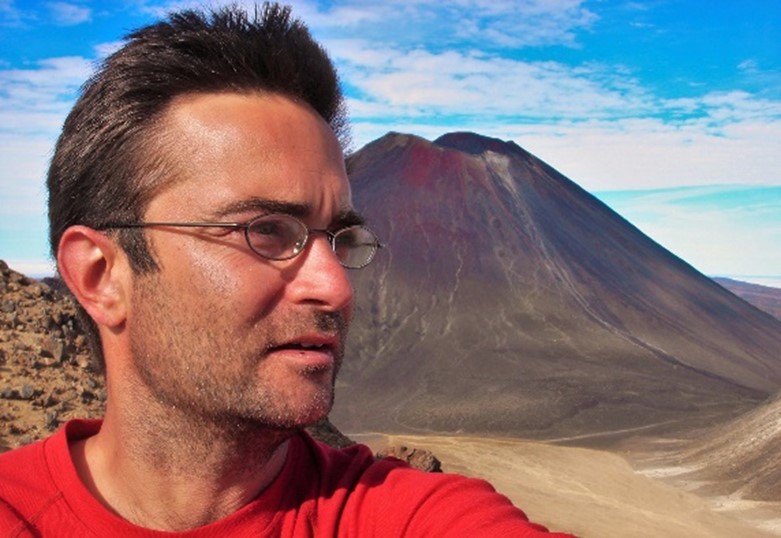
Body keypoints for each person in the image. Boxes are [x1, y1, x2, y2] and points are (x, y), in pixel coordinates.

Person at [0, 4, 575, 536]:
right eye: (266, 230)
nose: (336, 287)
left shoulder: (401, 516)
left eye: (341, 239)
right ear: (101, 276)